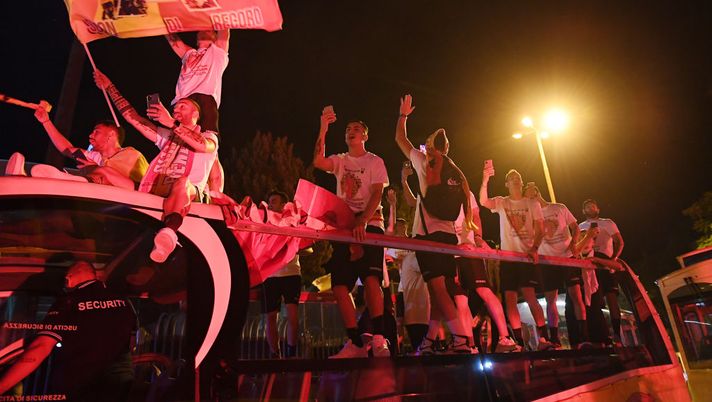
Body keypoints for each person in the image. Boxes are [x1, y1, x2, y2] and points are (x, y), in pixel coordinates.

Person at [94, 69, 218, 263]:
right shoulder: (167, 136)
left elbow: (203, 145)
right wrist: (109, 87)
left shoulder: (209, 137)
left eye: (182, 106)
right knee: (104, 172)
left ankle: (168, 234)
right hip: (154, 188)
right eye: (175, 107)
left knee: (182, 183)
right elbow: (133, 118)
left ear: (195, 114)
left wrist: (172, 122)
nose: (176, 109)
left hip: (186, 193)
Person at [395, 94, 475, 354]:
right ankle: (429, 342)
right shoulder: (454, 170)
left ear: (430, 145)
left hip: (427, 237)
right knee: (438, 291)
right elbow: (466, 201)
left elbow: (400, 140)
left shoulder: (423, 161)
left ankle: (462, 339)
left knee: (438, 291)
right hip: (448, 236)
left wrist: (403, 116)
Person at [312, 106, 390, 358]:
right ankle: (355, 341)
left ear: (365, 136)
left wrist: (364, 220)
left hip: (370, 224)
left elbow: (377, 193)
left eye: (357, 129)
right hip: (344, 226)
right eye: (348, 129)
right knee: (339, 286)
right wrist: (323, 128)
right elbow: (318, 161)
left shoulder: (374, 161)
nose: (351, 132)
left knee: (370, 280)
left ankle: (379, 338)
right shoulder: (341, 160)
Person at [0, 261, 136, 401]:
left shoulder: (68, 303)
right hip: (120, 389)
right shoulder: (124, 301)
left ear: (69, 278)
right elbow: (131, 342)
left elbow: (41, 347)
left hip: (80, 389)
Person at [480, 166, 553, 350]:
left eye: (518, 177)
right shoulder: (502, 202)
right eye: (511, 177)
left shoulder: (531, 203)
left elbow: (540, 228)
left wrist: (535, 248)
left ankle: (543, 339)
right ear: (506, 184)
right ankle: (519, 342)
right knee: (510, 298)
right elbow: (483, 201)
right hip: (508, 257)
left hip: (526, 257)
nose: (515, 179)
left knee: (530, 296)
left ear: (521, 182)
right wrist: (486, 178)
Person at [5, 108, 147, 190]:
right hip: (105, 194)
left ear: (111, 135)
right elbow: (67, 148)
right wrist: (46, 121)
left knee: (103, 173)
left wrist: (94, 169)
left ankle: (64, 179)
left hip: (134, 192)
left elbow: (140, 183)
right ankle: (23, 179)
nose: (90, 135)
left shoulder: (131, 153)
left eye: (96, 131)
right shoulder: (96, 157)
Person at [456, 190, 522, 353]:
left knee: (483, 290)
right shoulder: (435, 189)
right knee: (460, 299)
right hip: (450, 250)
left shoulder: (464, 191)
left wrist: (477, 237)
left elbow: (476, 215)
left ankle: (505, 338)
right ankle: (469, 345)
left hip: (468, 247)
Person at [524, 182, 582, 348]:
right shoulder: (532, 216)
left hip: (567, 257)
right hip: (547, 261)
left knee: (576, 295)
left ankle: (584, 336)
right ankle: (554, 338)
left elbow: (575, 228)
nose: (531, 196)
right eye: (527, 195)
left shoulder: (559, 207)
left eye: (531, 192)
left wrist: (574, 244)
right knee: (551, 299)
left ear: (536, 191)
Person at [385, 185, 430, 352]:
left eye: (404, 227)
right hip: (402, 287)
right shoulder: (391, 246)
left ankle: (421, 346)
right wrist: (396, 262)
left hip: (416, 287)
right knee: (400, 319)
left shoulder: (412, 244)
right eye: (399, 227)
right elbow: (390, 261)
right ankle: (399, 346)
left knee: (420, 317)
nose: (401, 229)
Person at [260, 190, 302, 358]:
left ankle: (291, 355)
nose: (270, 204)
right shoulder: (263, 222)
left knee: (293, 316)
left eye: (274, 201)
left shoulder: (293, 221)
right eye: (269, 201)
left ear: (284, 204)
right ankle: (275, 355)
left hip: (291, 273)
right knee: (270, 317)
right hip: (270, 276)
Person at [579, 199, 625, 345]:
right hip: (589, 264)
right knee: (594, 300)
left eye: (592, 205)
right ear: (583, 211)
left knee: (611, 299)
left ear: (597, 208)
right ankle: (601, 336)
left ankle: (617, 334)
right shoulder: (580, 226)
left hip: (606, 263)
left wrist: (613, 259)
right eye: (587, 206)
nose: (590, 208)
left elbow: (620, 241)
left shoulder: (607, 223)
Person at [165, 29, 229, 133]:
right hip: (181, 100)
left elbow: (224, 28)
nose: (204, 30)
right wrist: (162, 25)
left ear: (215, 37)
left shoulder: (217, 53)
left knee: (204, 139)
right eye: (201, 30)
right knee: (174, 139)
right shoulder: (189, 53)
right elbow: (172, 39)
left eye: (208, 30)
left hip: (204, 99)